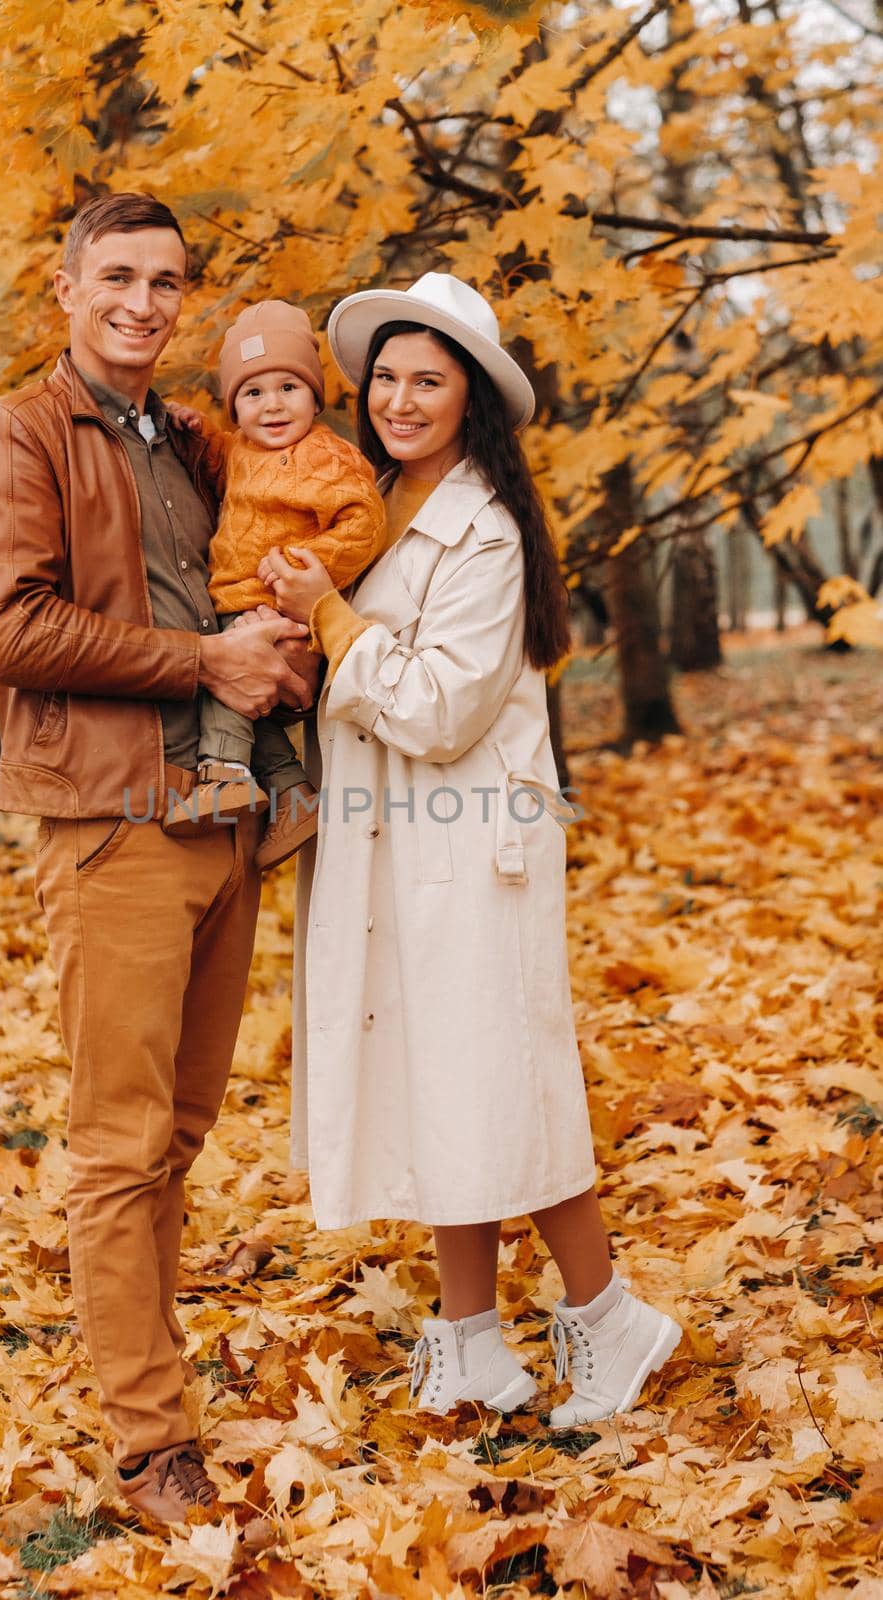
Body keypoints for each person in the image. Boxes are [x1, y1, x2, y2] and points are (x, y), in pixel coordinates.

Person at [265, 272, 682, 1425]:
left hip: (468, 847)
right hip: (385, 837)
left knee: (503, 1084)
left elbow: (439, 706)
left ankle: (610, 1318)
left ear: (469, 401)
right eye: (386, 377)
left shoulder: (484, 530)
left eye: (427, 381)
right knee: (438, 1082)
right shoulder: (367, 502)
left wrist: (330, 622)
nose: (399, 398)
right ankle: (471, 1340)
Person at [0, 192, 320, 1522]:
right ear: (65, 288)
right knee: (119, 1142)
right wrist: (202, 661)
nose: (143, 303)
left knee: (177, 1129)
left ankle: (150, 1375)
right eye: (117, 276)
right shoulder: (20, 432)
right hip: (113, 826)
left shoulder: (190, 443)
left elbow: (252, 580)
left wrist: (278, 650)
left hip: (222, 819)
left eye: (166, 282)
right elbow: (10, 628)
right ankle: (149, 1443)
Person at [189, 300, 386, 870]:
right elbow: (212, 457)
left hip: (280, 610)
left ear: (314, 397)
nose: (271, 405)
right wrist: (191, 427)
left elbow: (365, 522)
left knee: (223, 682)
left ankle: (222, 776)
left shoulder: (324, 457)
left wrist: (304, 567)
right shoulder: (241, 451)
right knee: (252, 710)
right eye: (252, 394)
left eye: (288, 388)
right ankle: (293, 796)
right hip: (237, 604)